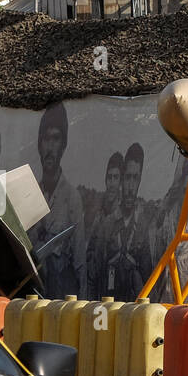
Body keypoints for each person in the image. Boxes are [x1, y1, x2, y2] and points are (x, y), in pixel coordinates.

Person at [26, 102, 86, 298]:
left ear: (63, 145)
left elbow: (79, 261)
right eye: (45, 139)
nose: (50, 147)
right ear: (39, 144)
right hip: (31, 294)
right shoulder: (29, 193)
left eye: (56, 139)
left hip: (61, 298)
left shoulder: (71, 198)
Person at [107, 143, 155, 301]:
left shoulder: (145, 226)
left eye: (135, 178)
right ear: (122, 179)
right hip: (106, 309)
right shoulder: (107, 224)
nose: (130, 186)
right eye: (127, 177)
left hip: (135, 310)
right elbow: (95, 275)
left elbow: (149, 278)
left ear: (140, 180)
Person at [87, 151, 124, 299]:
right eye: (109, 178)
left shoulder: (125, 216)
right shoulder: (99, 216)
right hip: (98, 289)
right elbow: (90, 254)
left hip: (119, 291)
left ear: (121, 182)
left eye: (116, 178)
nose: (112, 183)